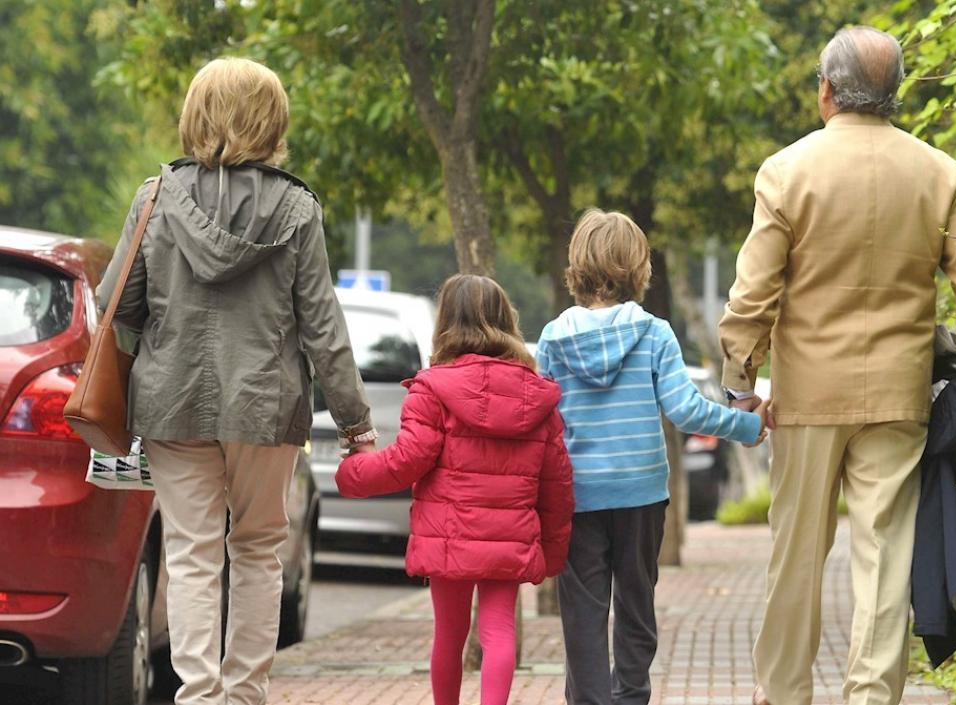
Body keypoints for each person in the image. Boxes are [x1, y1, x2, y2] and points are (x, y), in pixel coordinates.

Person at [718, 26, 956, 705]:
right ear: (895, 95)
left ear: (826, 91)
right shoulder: (939, 174)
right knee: (883, 557)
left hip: (807, 397)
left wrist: (740, 387)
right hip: (898, 397)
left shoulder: (786, 172)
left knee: (795, 554)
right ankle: (872, 695)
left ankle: (784, 691)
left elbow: (752, 295)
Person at [96, 57, 376, 705]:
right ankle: (246, 694)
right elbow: (323, 329)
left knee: (192, 554)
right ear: (272, 120)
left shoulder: (155, 198)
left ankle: (198, 694)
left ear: (196, 114)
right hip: (266, 406)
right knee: (257, 549)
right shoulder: (299, 209)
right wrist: (356, 421)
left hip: (173, 402)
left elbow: (118, 306)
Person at [535, 209, 767, 705]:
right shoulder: (654, 332)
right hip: (641, 494)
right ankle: (632, 697)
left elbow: (542, 422)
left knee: (583, 613)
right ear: (637, 266)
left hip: (578, 496)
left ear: (579, 264)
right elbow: (684, 411)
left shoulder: (553, 338)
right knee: (637, 606)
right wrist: (747, 425)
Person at [335, 274, 574, 705]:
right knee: (499, 631)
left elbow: (407, 460)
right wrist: (552, 553)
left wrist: (354, 472)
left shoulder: (432, 389)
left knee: (450, 634)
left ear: (445, 322)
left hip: (450, 535)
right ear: (507, 320)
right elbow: (557, 484)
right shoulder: (536, 397)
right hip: (509, 537)